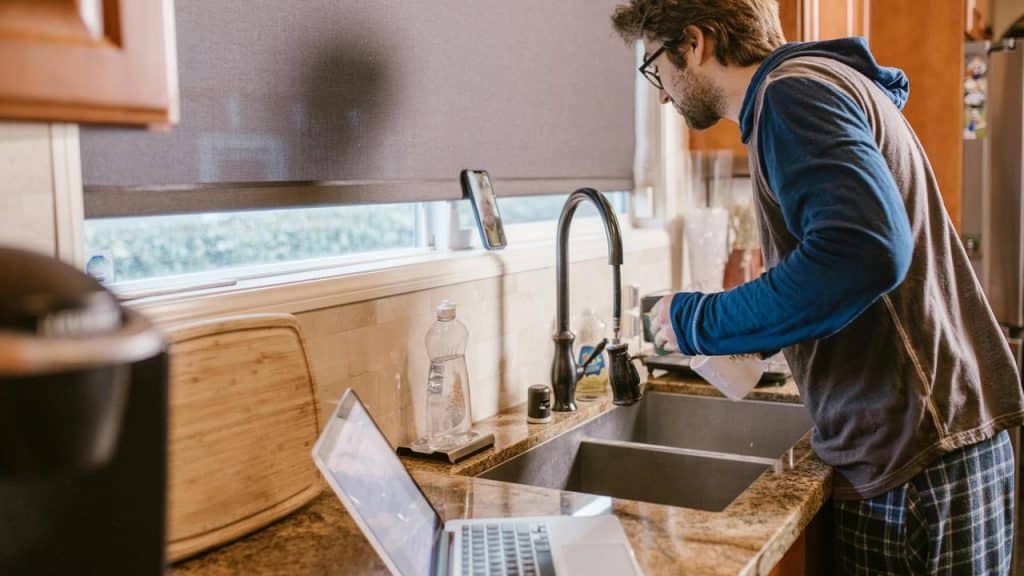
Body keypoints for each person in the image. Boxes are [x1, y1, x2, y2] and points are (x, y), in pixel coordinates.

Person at [611, 1, 1024, 573]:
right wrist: (761, 332)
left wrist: (698, 321)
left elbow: (863, 252)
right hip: (934, 448)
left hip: (915, 461)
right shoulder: (816, 84)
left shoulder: (790, 96)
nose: (661, 94)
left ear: (696, 43)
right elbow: (846, 263)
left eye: (656, 67)